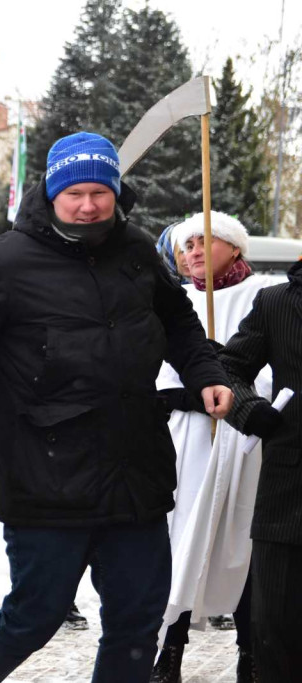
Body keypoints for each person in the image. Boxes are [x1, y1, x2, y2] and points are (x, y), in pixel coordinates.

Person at [0, 132, 233, 683]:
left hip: (135, 471)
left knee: (138, 619)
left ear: (116, 193)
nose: (88, 206)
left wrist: (206, 373)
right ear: (52, 193)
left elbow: (179, 321)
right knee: (33, 616)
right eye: (75, 194)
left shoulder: (137, 251)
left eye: (100, 193)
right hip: (48, 476)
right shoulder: (4, 262)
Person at [150, 213, 282, 683]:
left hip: (244, 439)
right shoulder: (178, 301)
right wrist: (196, 390)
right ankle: (169, 652)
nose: (194, 252)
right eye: (187, 246)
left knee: (244, 544)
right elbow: (160, 376)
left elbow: (270, 369)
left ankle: (252, 653)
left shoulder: (263, 295)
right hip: (189, 440)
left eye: (205, 241)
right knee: (182, 544)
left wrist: (237, 396)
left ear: (235, 247)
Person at [218, 257, 302, 681]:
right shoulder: (275, 302)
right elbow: (227, 368)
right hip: (289, 490)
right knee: (278, 628)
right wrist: (249, 410)